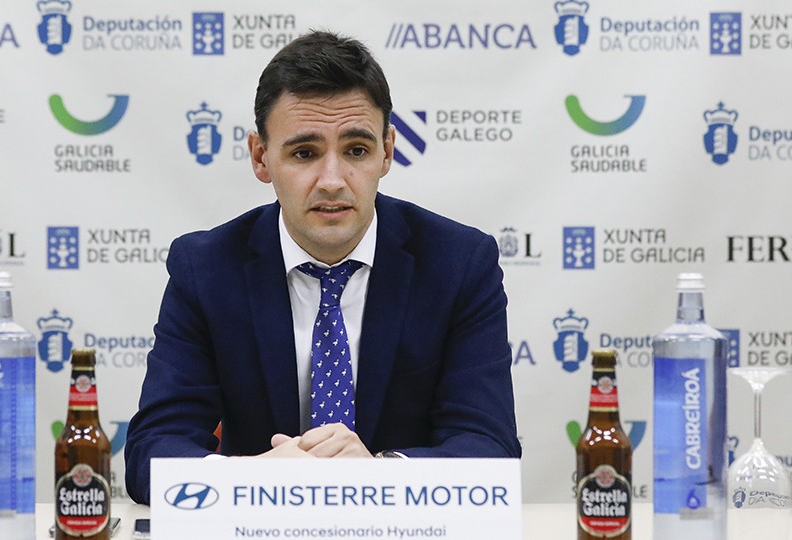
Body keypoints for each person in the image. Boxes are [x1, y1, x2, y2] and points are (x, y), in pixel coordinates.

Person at [124, 30, 521, 505]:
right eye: (304, 153)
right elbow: (151, 452)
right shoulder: (207, 268)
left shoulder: (458, 264)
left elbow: (491, 452)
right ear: (260, 157)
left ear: (387, 152)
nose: (332, 180)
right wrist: (250, 478)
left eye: (356, 150)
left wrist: (378, 475)